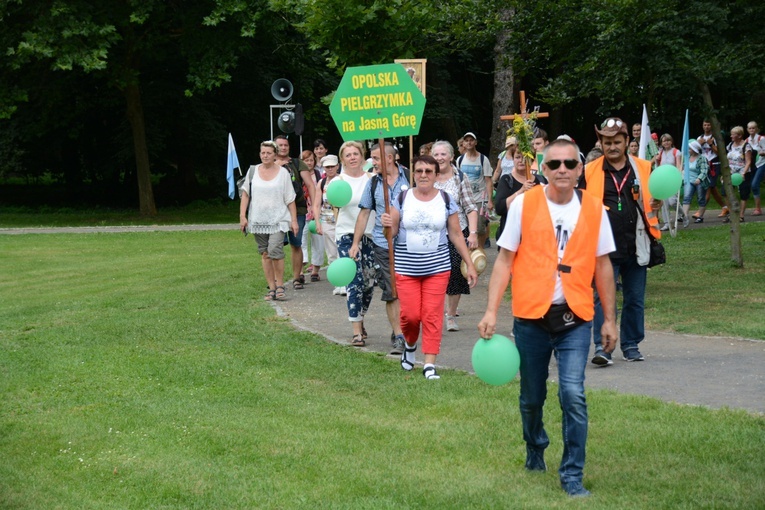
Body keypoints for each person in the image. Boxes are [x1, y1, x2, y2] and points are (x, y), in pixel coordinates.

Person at [478, 139, 617, 498]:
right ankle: (535, 444)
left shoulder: (594, 209)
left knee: (572, 393)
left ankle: (572, 474)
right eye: (554, 164)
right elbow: (505, 260)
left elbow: (603, 266)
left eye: (569, 164)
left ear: (579, 168)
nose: (562, 171)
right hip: (531, 317)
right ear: (544, 167)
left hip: (575, 316)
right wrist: (491, 310)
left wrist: (610, 320)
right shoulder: (525, 204)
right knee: (531, 397)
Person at [381, 155, 478, 380]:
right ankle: (411, 346)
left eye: (428, 171)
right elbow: (391, 234)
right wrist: (386, 224)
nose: (423, 175)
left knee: (432, 315)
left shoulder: (445, 199)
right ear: (413, 174)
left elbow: (455, 233)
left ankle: (430, 363)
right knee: (411, 316)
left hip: (438, 268)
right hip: (407, 269)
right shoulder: (402, 198)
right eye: (419, 171)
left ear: (436, 175)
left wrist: (469, 263)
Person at [582, 117, 662, 365]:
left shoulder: (644, 168)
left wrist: (657, 203)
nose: (612, 146)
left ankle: (630, 345)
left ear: (627, 141)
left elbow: (654, 200)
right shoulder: (589, 170)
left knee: (635, 299)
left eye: (617, 141)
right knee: (601, 299)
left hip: (636, 244)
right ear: (601, 143)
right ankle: (602, 347)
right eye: (607, 142)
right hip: (603, 247)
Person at [350, 142, 408, 354]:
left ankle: (406, 328)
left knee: (407, 291)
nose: (372, 163)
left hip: (409, 244)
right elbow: (364, 213)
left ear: (390, 159)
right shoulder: (373, 183)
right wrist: (356, 243)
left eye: (375, 159)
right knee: (392, 290)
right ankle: (399, 335)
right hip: (383, 245)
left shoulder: (410, 177)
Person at [239, 141, 299, 301]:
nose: (265, 155)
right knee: (265, 253)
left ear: (275, 154)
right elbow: (245, 194)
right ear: (260, 154)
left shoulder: (283, 173)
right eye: (263, 153)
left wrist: (294, 220)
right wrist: (242, 216)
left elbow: (290, 199)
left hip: (278, 219)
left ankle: (280, 285)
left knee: (276, 251)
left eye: (268, 153)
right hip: (257, 220)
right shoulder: (253, 171)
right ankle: (271, 288)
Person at [330, 141, 375, 347]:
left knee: (369, 283)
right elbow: (332, 203)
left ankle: (361, 315)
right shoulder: (338, 182)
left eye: (355, 153)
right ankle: (356, 329)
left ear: (362, 156)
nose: (352, 157)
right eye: (347, 155)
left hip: (371, 235)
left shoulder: (372, 179)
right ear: (342, 159)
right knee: (354, 281)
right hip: (347, 234)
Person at [432, 140, 479, 332]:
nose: (440, 158)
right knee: (433, 274)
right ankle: (432, 314)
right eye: (436, 155)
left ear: (451, 157)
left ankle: (450, 315)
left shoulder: (460, 177)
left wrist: (473, 233)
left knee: (454, 273)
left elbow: (470, 206)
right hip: (433, 232)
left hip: (457, 231)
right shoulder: (427, 175)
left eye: (443, 154)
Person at [274, 135, 316, 291]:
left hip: (297, 209)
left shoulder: (298, 164)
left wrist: (314, 205)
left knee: (296, 243)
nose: (283, 148)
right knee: (275, 245)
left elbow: (310, 185)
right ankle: (276, 282)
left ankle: (297, 277)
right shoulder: (269, 164)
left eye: (286, 145)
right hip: (276, 211)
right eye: (280, 145)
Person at [456, 132, 494, 249]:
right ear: (463, 143)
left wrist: (490, 200)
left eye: (471, 140)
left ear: (475, 142)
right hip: (465, 199)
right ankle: (470, 253)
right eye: (466, 140)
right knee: (466, 227)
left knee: (480, 228)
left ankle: (480, 250)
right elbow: (457, 179)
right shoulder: (460, 160)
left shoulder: (483, 159)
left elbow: (488, 180)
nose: (469, 142)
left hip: (479, 199)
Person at [493, 150, 541, 242]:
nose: (521, 161)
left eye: (524, 157)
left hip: (533, 235)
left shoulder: (540, 180)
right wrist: (521, 190)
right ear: (513, 160)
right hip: (511, 235)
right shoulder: (506, 180)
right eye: (517, 157)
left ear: (531, 159)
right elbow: (499, 208)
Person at [313, 154, 343, 295]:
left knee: (342, 251)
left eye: (332, 166)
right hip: (327, 221)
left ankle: (346, 282)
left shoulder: (342, 180)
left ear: (337, 166)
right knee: (331, 253)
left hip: (342, 221)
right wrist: (317, 222)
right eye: (327, 167)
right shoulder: (322, 183)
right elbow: (317, 204)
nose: (330, 169)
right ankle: (337, 282)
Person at [300, 149, 324, 281]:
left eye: (311, 160)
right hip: (302, 212)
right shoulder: (298, 174)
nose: (309, 162)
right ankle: (300, 271)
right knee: (301, 241)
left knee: (318, 241)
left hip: (316, 212)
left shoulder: (318, 174)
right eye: (306, 160)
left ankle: (315, 270)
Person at [697, 119, 728, 217]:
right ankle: (725, 207)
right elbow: (695, 152)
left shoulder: (715, 138)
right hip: (703, 165)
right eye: (705, 125)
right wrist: (699, 145)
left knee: (708, 187)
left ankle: (700, 212)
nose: (706, 127)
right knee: (713, 188)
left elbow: (720, 153)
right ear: (702, 126)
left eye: (708, 125)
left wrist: (711, 144)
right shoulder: (699, 138)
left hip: (714, 164)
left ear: (712, 126)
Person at [656, 133, 687, 229]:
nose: (666, 142)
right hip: (663, 179)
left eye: (668, 140)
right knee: (664, 202)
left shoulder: (676, 152)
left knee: (672, 201)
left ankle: (684, 216)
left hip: (673, 178)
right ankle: (667, 223)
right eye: (664, 141)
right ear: (661, 143)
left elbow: (678, 165)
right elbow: (658, 166)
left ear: (671, 141)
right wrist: (656, 160)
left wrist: (678, 176)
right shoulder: (660, 152)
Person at [724, 126, 752, 222]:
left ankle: (741, 215)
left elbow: (748, 161)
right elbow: (727, 159)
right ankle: (732, 213)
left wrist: (743, 173)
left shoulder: (746, 146)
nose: (731, 136)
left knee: (743, 194)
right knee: (726, 192)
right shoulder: (730, 145)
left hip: (742, 172)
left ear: (739, 135)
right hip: (731, 172)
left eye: (733, 134)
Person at [682, 141, 710, 223]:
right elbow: (684, 169)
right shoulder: (687, 157)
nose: (688, 150)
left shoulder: (702, 158)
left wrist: (699, 179)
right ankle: (685, 216)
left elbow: (705, 170)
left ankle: (700, 216)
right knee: (686, 197)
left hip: (699, 181)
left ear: (694, 149)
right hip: (689, 181)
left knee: (701, 198)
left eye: (690, 148)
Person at [746, 121, 765, 215]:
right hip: (753, 165)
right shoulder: (747, 141)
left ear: (757, 129)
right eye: (750, 128)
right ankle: (757, 208)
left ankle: (758, 209)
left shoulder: (761, 139)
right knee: (753, 186)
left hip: (762, 164)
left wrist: (763, 153)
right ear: (747, 130)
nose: (752, 130)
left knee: (754, 184)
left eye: (753, 128)